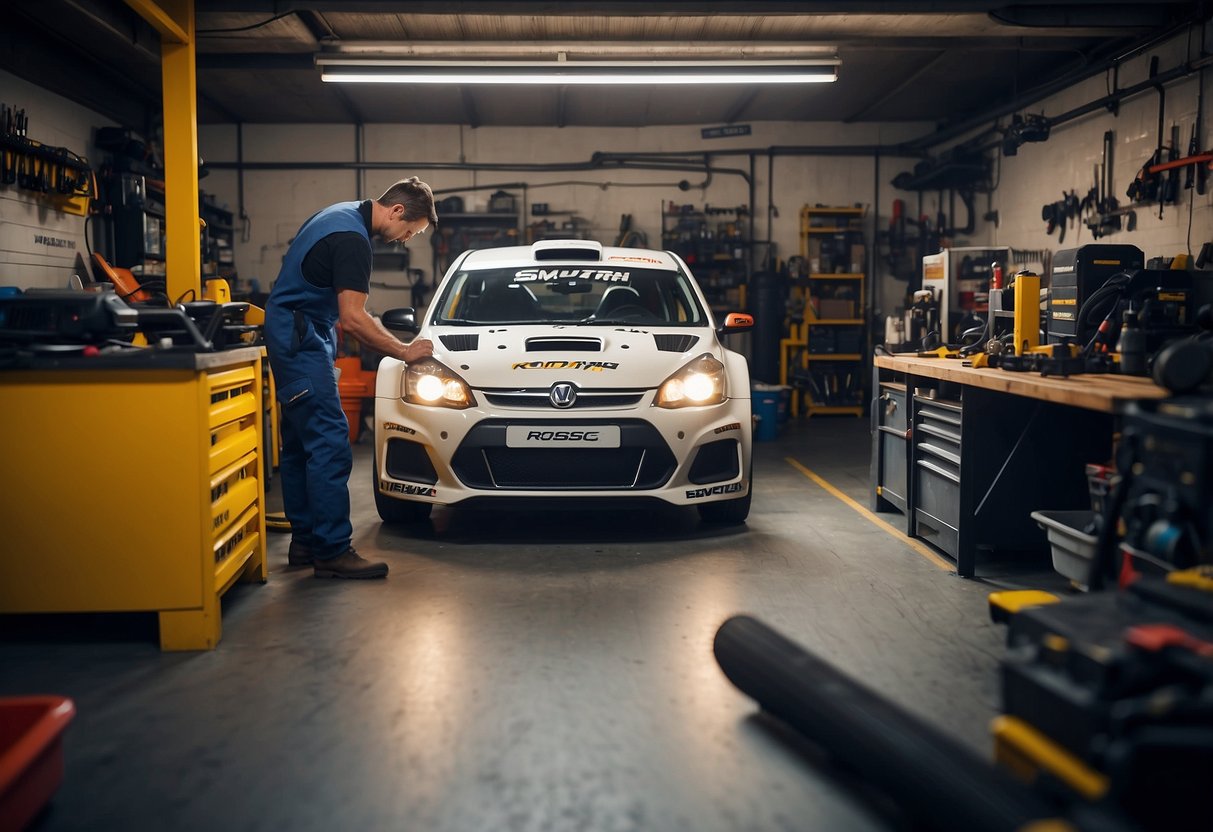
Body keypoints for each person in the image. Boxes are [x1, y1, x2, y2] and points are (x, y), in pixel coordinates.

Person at [264, 177, 437, 579]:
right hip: (301, 337)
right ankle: (332, 550)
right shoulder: (353, 239)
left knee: (299, 442)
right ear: (396, 211)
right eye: (410, 230)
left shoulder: (338, 214)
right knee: (328, 441)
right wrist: (405, 351)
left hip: (294, 330)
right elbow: (354, 318)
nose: (405, 239)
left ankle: (305, 543)